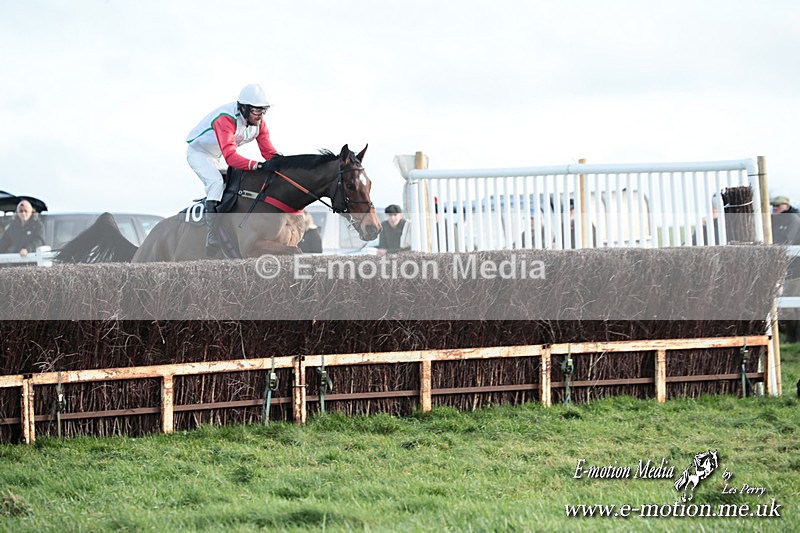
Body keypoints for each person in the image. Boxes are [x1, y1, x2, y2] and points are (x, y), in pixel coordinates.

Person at [186, 83, 280, 255]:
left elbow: (269, 153)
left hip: (217, 156)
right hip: (199, 153)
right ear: (243, 108)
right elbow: (231, 157)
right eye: (257, 111)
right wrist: (257, 165)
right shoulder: (226, 119)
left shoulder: (260, 124)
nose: (261, 116)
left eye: (264, 110)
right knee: (216, 183)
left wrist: (284, 165)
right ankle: (212, 235)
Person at [770, 195, 800, 342]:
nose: (775, 208)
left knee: (789, 305)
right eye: (773, 205)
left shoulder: (792, 219)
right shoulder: (777, 220)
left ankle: (792, 338)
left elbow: (787, 241)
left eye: (778, 206)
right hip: (787, 269)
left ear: (786, 206)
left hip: (795, 270)